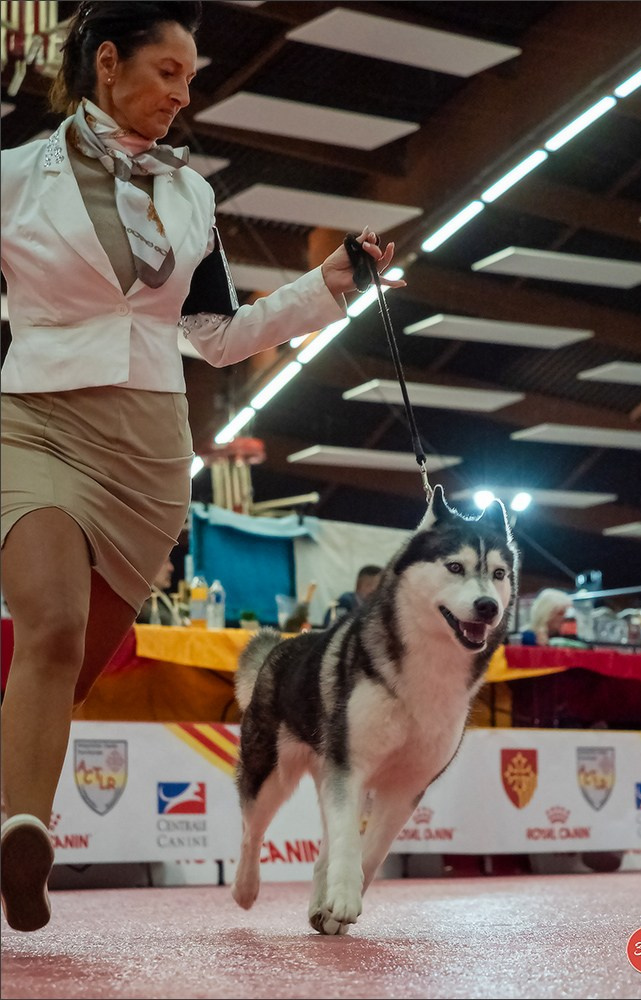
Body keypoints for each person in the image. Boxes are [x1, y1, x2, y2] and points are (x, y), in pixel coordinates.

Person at [0, 0, 404, 932]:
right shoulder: (16, 178)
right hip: (34, 422)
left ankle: (7, 812)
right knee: (49, 628)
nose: (186, 93)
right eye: (169, 73)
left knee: (78, 665)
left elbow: (217, 337)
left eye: (192, 76)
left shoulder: (190, 196)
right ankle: (26, 832)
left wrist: (326, 287)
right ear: (109, 65)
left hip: (146, 449)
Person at [135, 555, 177, 625]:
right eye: (165, 562)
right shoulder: (141, 598)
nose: (171, 568)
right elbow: (165, 621)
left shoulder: (161, 596)